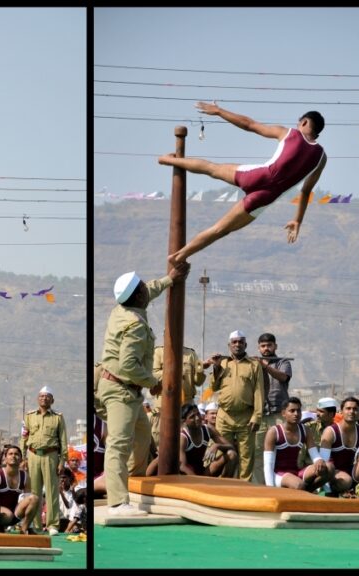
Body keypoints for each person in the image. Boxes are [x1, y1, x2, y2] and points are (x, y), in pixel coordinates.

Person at [161, 102, 327, 265]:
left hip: (256, 176)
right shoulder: (321, 158)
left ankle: (166, 159)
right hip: (265, 198)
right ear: (317, 135)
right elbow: (305, 192)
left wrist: (219, 111)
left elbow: (250, 125)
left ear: (304, 122)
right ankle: (179, 257)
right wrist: (297, 220)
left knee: (212, 168)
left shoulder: (289, 133)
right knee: (220, 230)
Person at [97, 265, 189, 517]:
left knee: (142, 437)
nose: (146, 289)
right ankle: (117, 502)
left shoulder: (123, 308)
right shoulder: (134, 324)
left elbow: (151, 289)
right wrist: (153, 382)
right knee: (119, 444)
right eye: (141, 287)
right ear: (136, 296)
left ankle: (132, 486)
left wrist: (170, 279)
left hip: (127, 390)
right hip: (121, 388)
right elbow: (128, 365)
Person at [208, 330, 264, 482]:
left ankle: (244, 487)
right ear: (229, 345)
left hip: (246, 416)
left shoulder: (254, 365)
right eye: (234, 342)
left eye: (240, 342)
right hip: (224, 415)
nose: (237, 344)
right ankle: (219, 483)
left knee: (246, 455)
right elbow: (213, 387)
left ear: (245, 344)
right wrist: (216, 367)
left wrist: (257, 416)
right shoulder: (223, 363)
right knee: (220, 451)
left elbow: (259, 392)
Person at [21, 386, 66, 535]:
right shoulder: (29, 416)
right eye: (41, 396)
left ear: (52, 400)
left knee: (52, 490)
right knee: (34, 492)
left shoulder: (57, 417)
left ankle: (53, 525)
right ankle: (36, 525)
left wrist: (62, 461)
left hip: (51, 455)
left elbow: (63, 441)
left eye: (47, 396)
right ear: (37, 399)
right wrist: (23, 457)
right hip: (33, 455)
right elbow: (24, 437)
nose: (44, 399)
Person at [263, 397, 332, 492]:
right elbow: (268, 465)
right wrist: (270, 489)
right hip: (279, 474)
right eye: (292, 411)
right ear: (283, 413)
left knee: (329, 468)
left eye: (298, 410)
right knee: (299, 484)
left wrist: (319, 460)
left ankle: (308, 492)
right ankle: (303, 492)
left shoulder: (305, 430)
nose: (296, 414)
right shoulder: (274, 432)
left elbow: (314, 454)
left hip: (297, 472)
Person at [252, 333, 293, 483]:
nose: (266, 348)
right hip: (260, 414)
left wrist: (265, 366)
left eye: (269, 345)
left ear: (275, 346)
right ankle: (259, 487)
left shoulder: (283, 362)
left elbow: (283, 377)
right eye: (263, 346)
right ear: (259, 348)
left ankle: (281, 483)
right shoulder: (253, 363)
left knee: (282, 449)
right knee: (257, 452)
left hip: (278, 413)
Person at [321, 396, 359, 499]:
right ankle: (340, 490)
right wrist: (328, 490)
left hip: (351, 474)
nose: (352, 412)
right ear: (341, 411)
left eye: (355, 409)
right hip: (334, 475)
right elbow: (323, 464)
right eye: (348, 408)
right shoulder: (330, 431)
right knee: (346, 481)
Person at [150, 345, 206, 447]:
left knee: (186, 442)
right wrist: (174, 372)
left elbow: (198, 382)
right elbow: (154, 374)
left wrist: (201, 369)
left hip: (187, 408)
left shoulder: (191, 354)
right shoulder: (158, 352)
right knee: (162, 444)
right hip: (165, 404)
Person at [0, 444, 40, 534]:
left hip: (16, 513)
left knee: (34, 498)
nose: (13, 456)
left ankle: (25, 529)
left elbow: (28, 501)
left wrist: (30, 526)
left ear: (21, 459)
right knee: (6, 513)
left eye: (16, 454)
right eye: (10, 454)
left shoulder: (25, 476)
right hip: (2, 514)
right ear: (5, 458)